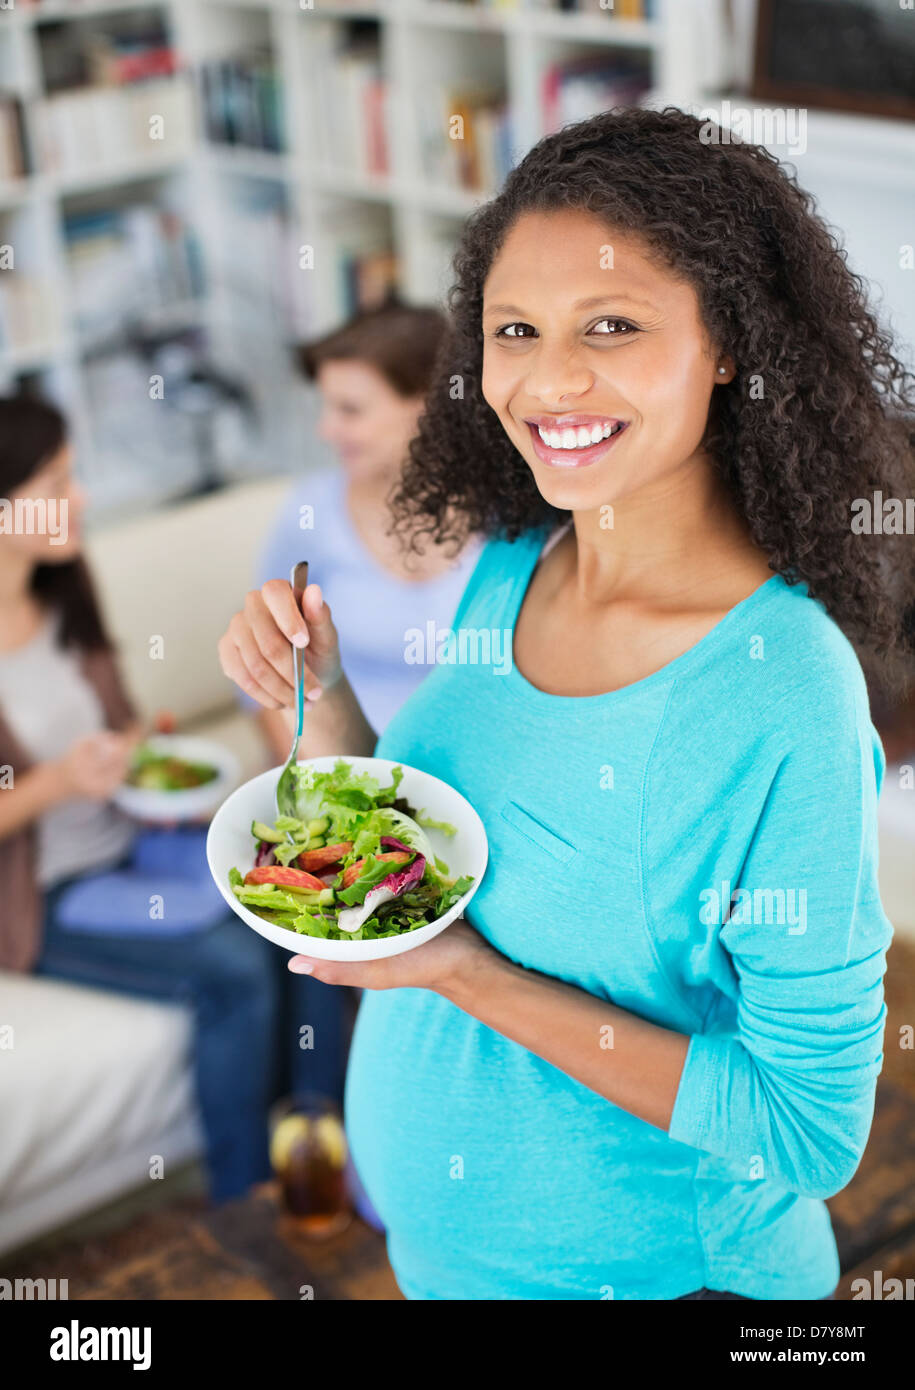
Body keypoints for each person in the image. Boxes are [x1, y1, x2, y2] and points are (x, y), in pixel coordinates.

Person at [217, 107, 913, 1299]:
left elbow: (807, 1129)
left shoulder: (783, 693)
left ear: (730, 344)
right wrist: (318, 703)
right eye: (516, 330)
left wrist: (465, 973)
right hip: (444, 1267)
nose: (548, 381)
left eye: (614, 327)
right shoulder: (516, 560)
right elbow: (440, 840)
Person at [0, 395, 280, 1204]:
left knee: (285, 904)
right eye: (55, 480)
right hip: (41, 897)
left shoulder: (63, 587)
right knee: (233, 968)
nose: (80, 497)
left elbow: (121, 728)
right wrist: (54, 784)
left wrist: (149, 765)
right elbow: (54, 782)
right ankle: (245, 1195)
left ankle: (316, 1135)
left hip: (129, 846)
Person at [232, 301, 483, 1109]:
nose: (326, 429)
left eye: (350, 408)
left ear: (425, 404)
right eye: (325, 406)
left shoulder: (505, 519)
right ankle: (333, 1121)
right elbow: (270, 671)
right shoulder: (310, 510)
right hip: (342, 785)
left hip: (466, 795)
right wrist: (313, 785)